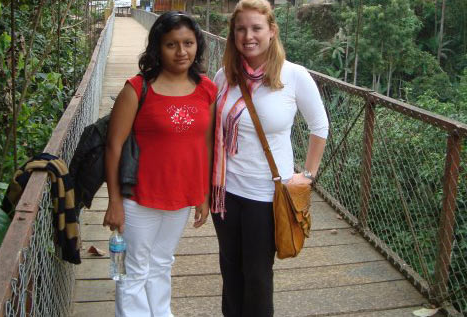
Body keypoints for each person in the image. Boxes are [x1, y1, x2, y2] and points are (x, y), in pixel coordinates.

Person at [210, 0, 329, 316]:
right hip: (225, 194)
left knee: (258, 276)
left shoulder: (294, 75)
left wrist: (308, 174)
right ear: (233, 34)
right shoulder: (224, 76)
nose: (248, 36)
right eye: (241, 29)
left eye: (256, 28)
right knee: (230, 271)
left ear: (272, 31)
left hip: (266, 196)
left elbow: (320, 126)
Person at [103, 11, 217, 317]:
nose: (182, 52)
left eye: (188, 43)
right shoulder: (137, 88)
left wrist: (203, 194)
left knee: (162, 262)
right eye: (172, 44)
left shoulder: (207, 88)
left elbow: (205, 144)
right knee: (135, 269)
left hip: (181, 195)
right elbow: (113, 147)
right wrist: (114, 201)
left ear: (197, 46)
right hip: (140, 196)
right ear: (158, 47)